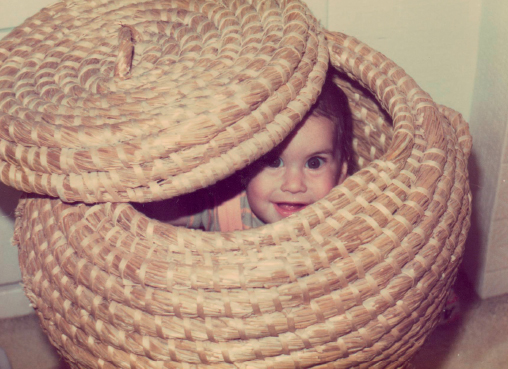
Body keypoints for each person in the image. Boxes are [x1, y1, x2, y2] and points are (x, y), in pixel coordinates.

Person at [135, 71, 356, 231]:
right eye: (273, 162)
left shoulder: (342, 217)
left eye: (314, 163)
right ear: (244, 164)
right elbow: (158, 211)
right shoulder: (224, 206)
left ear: (342, 172)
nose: (293, 185)